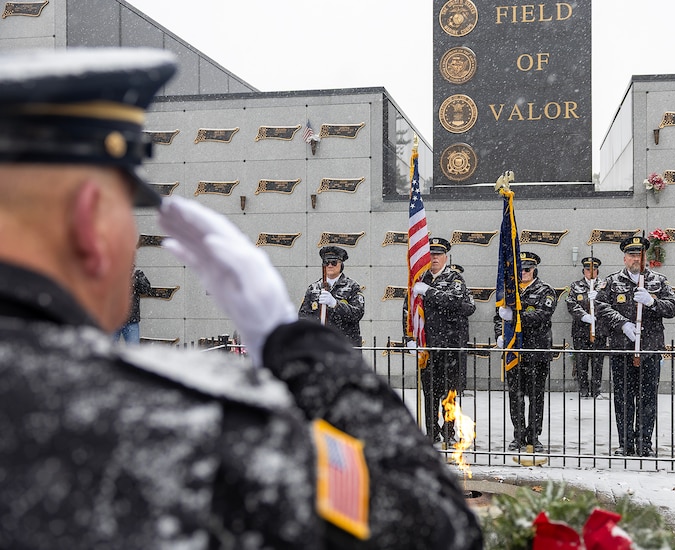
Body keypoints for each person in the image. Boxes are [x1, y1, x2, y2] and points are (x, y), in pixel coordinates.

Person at [0, 48, 482, 550]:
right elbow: (435, 531)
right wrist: (297, 344)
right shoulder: (189, 428)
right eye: (126, 208)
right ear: (88, 221)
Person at [595, 236, 675, 457]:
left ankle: (644, 443)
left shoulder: (658, 281)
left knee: (647, 398)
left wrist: (652, 302)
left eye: (639, 255)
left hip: (649, 349)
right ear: (624, 258)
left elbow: (671, 308)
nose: (635, 259)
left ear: (645, 258)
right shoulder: (612, 282)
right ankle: (625, 443)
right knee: (623, 398)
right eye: (631, 255)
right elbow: (600, 306)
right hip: (622, 349)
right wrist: (623, 324)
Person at [403, 237, 475, 445]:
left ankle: (449, 431)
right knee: (430, 391)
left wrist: (429, 292)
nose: (434, 258)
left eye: (438, 254)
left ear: (446, 256)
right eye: (431, 254)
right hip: (428, 345)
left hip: (450, 344)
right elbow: (408, 310)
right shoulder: (420, 278)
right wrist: (409, 337)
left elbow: (455, 301)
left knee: (449, 392)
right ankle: (432, 432)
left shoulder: (455, 279)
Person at [494, 251, 557, 452]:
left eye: (528, 269)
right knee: (516, 396)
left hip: (536, 351)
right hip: (515, 352)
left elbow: (542, 315)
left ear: (534, 269)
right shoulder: (509, 291)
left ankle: (534, 436)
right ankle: (518, 435)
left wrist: (515, 317)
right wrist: (500, 335)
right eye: (520, 269)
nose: (524, 273)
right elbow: (499, 317)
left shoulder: (545, 290)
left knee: (536, 397)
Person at [298, 245, 365, 346]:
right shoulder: (314, 288)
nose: (330, 265)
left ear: (341, 264)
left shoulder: (352, 287)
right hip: (319, 345)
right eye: (326, 262)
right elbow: (303, 318)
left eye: (334, 262)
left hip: (345, 345)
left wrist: (335, 304)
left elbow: (357, 313)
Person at [565, 256, 607, 398]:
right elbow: (571, 304)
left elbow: (610, 306)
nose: (591, 272)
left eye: (594, 269)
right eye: (588, 269)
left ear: (598, 270)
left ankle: (597, 391)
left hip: (600, 330)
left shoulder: (604, 286)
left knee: (597, 362)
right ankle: (583, 389)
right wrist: (584, 316)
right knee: (581, 362)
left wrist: (599, 298)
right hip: (580, 330)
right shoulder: (576, 286)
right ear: (583, 270)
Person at [449, 263, 476, 396]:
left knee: (460, 360)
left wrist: (454, 306)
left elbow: (470, 308)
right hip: (445, 332)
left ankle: (460, 387)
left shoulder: (466, 291)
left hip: (460, 331)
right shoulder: (444, 291)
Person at [113, 267, 151, 343]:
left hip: (131, 321)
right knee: (107, 350)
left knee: (133, 350)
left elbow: (146, 290)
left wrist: (137, 278)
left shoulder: (136, 273)